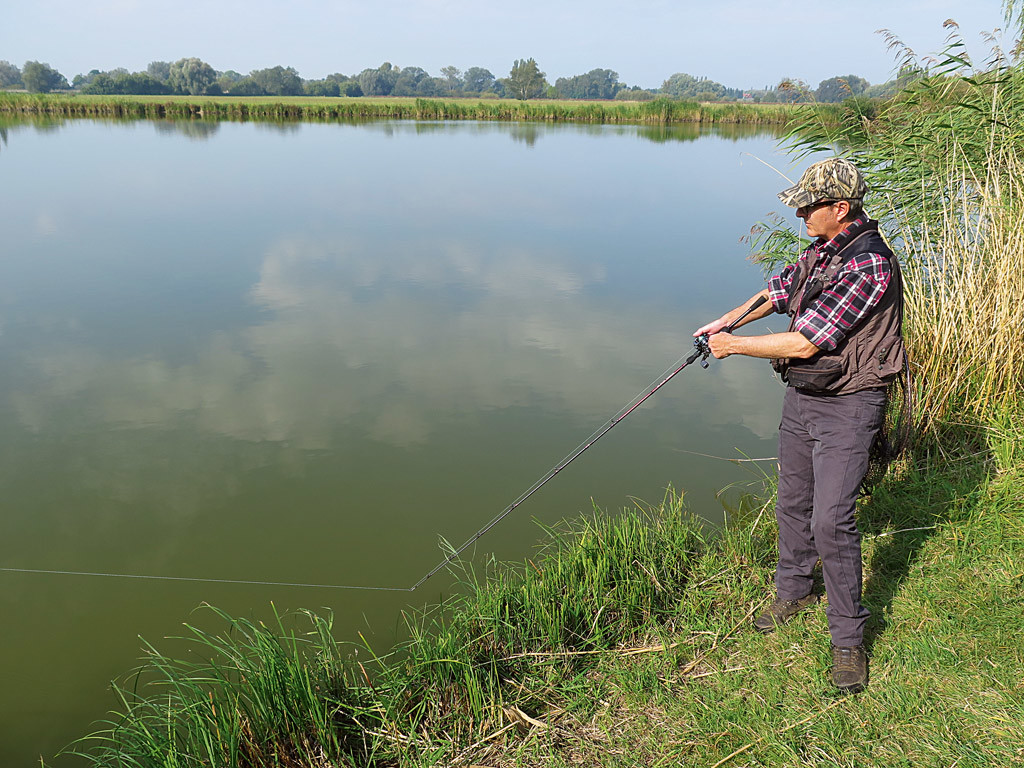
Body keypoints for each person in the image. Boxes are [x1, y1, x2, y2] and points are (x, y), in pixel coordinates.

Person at [693, 157, 905, 694]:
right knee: (792, 499)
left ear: (842, 207)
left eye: (810, 207)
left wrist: (732, 346)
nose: (801, 215)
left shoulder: (870, 264)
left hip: (851, 402)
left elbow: (809, 340)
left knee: (832, 520)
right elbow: (779, 292)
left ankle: (849, 640)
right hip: (804, 395)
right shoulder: (820, 251)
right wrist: (728, 320)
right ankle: (794, 590)